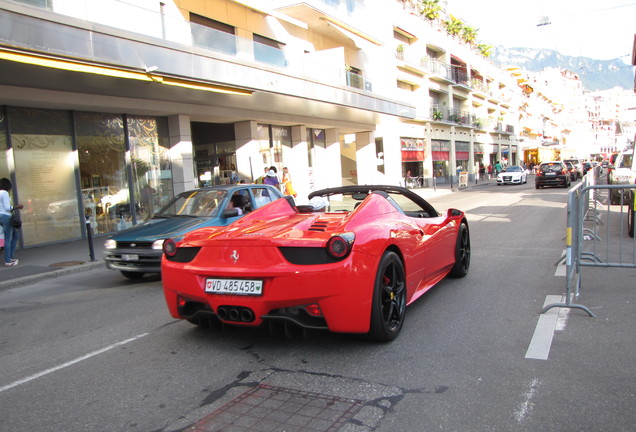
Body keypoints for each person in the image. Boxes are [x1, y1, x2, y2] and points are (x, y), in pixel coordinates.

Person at [0, 177, 23, 267]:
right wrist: (17, 207)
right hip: (6, 217)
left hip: (1, 217)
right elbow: (7, 207)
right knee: (8, 239)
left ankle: (10, 256)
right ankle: (8, 260)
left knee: (15, 236)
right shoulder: (4, 193)